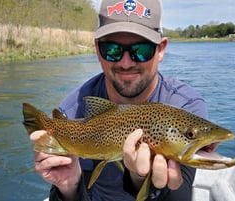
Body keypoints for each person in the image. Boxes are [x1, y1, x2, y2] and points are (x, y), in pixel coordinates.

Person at [30, 0, 207, 200]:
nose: (125, 63)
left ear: (161, 50)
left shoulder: (185, 108)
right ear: (98, 50)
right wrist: (69, 187)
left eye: (141, 50)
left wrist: (141, 181)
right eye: (112, 50)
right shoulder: (72, 113)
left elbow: (181, 194)